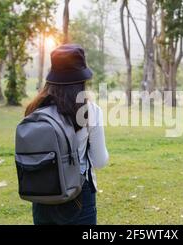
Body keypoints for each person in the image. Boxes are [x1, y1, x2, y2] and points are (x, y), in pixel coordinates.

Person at [24, 44, 109, 225]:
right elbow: (100, 161)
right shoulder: (90, 111)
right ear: (81, 79)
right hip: (78, 192)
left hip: (41, 193)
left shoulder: (34, 109)